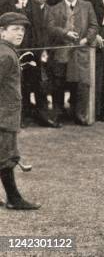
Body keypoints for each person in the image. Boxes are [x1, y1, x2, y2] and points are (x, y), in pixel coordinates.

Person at [0, 12, 40, 210]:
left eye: (22, 30)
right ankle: (14, 199)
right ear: (2, 31)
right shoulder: (6, 54)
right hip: (4, 115)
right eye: (15, 29)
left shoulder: (6, 50)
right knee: (7, 158)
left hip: (5, 112)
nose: (20, 33)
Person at [47, 0, 99, 125]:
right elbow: (50, 27)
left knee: (81, 83)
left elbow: (94, 26)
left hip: (80, 51)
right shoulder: (54, 8)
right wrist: (65, 33)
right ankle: (57, 114)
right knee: (59, 83)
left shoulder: (87, 6)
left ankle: (80, 115)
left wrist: (86, 40)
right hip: (62, 51)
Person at [28, 0, 59, 127]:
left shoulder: (49, 10)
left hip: (45, 51)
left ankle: (45, 115)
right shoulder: (29, 8)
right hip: (31, 50)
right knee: (30, 83)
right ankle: (29, 113)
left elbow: (50, 30)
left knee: (44, 83)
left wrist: (45, 50)